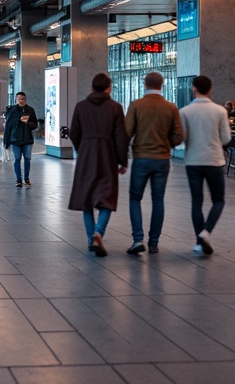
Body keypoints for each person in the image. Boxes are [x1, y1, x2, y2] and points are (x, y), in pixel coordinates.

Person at [67, 73, 128, 257]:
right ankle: (98, 233)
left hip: (86, 155)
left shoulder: (81, 106)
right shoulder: (116, 108)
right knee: (106, 198)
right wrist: (122, 161)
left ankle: (90, 239)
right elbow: (120, 137)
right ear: (108, 88)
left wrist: (82, 149)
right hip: (107, 156)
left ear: (92, 87)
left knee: (87, 200)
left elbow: (73, 133)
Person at [123, 72, 183, 255]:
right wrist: (167, 144)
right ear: (162, 85)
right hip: (162, 160)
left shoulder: (136, 105)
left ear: (144, 84)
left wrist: (122, 157)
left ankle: (137, 239)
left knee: (135, 198)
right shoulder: (171, 108)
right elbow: (179, 136)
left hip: (141, 158)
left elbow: (126, 132)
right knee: (158, 199)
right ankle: (154, 242)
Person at [179, 75, 231, 256]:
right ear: (210, 90)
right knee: (218, 200)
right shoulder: (220, 111)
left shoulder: (185, 111)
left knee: (196, 202)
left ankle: (198, 242)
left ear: (193, 88)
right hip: (214, 160)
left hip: (193, 161)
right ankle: (206, 232)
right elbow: (226, 138)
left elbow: (182, 138)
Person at [3, 91, 39, 187]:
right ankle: (18, 180)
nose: (21, 101)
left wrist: (28, 123)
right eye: (19, 99)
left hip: (27, 139)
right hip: (15, 139)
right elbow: (8, 127)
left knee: (27, 159)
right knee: (17, 158)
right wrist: (6, 141)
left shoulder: (30, 110)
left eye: (23, 99)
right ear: (16, 100)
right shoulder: (12, 110)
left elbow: (35, 125)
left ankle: (26, 179)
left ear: (25, 100)